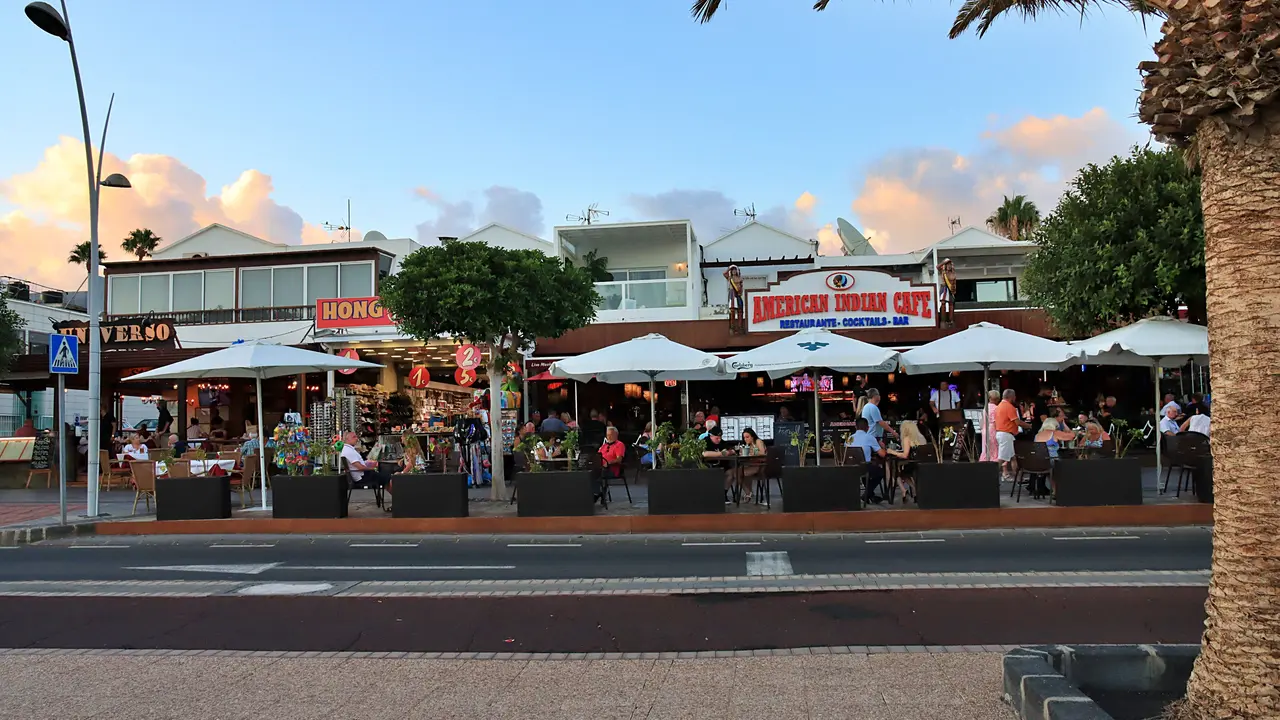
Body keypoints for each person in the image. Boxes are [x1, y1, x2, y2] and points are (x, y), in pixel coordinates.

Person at [885, 420, 927, 503]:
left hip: (912, 464)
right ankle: (913, 490)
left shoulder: (907, 438)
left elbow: (905, 455)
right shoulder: (921, 437)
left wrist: (892, 452)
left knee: (897, 470)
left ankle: (906, 489)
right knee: (901, 469)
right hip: (922, 463)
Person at [850, 417, 886, 504]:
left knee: (868, 472)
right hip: (863, 467)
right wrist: (883, 447)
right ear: (868, 428)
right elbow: (883, 454)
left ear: (855, 427)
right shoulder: (870, 437)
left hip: (850, 468)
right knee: (881, 472)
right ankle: (866, 495)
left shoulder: (849, 438)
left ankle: (871, 495)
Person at [995, 389, 1028, 482]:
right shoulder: (1009, 407)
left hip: (1002, 433)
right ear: (1011, 397)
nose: (1015, 398)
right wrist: (1029, 426)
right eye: (1014, 396)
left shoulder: (999, 406)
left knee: (1013, 457)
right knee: (1002, 458)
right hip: (1006, 434)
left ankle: (1018, 478)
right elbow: (1017, 422)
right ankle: (990, 475)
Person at [736, 427, 766, 502]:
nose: (745, 439)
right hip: (751, 465)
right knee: (737, 472)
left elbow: (762, 452)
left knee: (738, 473)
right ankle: (748, 492)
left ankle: (748, 493)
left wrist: (751, 452)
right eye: (744, 438)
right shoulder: (747, 445)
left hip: (761, 466)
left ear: (752, 436)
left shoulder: (758, 441)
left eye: (747, 437)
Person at [978, 390, 1000, 462]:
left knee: (985, 449)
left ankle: (984, 461)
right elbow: (995, 421)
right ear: (997, 398)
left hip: (984, 429)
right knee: (994, 449)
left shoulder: (985, 407)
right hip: (992, 429)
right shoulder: (996, 408)